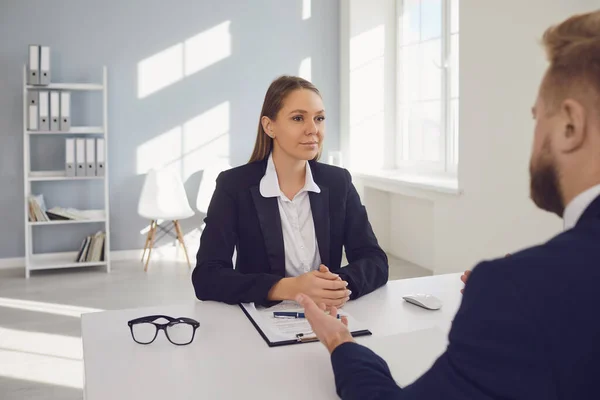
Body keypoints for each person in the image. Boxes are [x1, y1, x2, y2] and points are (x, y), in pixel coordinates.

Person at [296, 10, 600, 399]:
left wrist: (341, 342)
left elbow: (372, 259)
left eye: (536, 117)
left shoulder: (515, 291)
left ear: (570, 126)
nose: (313, 129)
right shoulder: (526, 289)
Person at [192, 76, 388, 307]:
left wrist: (337, 285)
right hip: (262, 319)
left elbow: (375, 260)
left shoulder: (339, 182)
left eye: (319, 118)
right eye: (298, 118)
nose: (313, 129)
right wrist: (288, 288)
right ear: (269, 126)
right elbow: (207, 276)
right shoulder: (234, 186)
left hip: (326, 315)